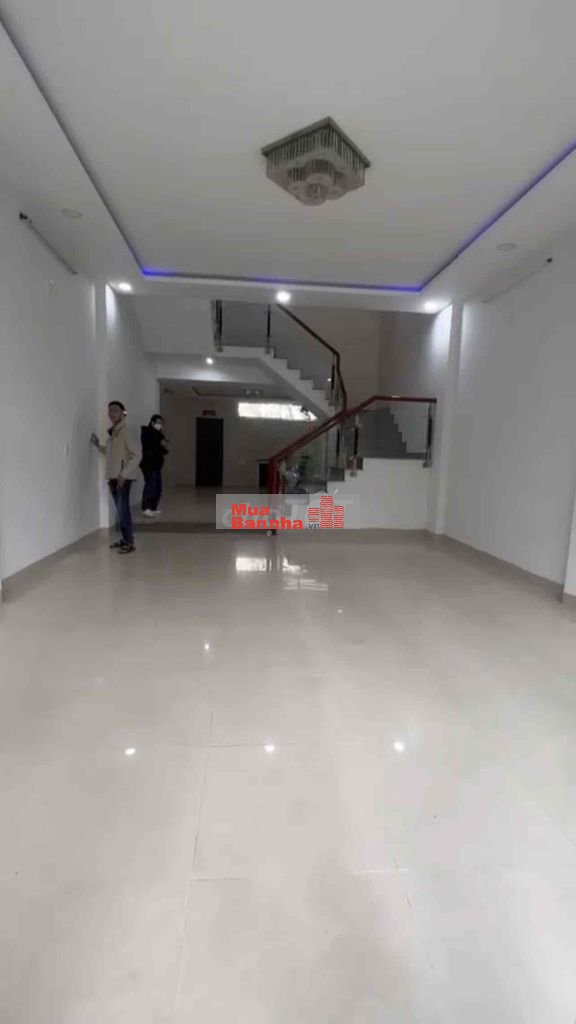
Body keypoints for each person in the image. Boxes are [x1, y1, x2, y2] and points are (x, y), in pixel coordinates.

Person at [91, 401, 140, 554]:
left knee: (123, 510)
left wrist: (124, 474)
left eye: (116, 410)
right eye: (110, 411)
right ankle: (125, 539)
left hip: (122, 478)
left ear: (123, 413)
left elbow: (137, 454)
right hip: (113, 477)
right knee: (120, 510)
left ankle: (129, 542)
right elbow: (113, 453)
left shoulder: (125, 431)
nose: (112, 413)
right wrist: (98, 446)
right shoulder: (115, 432)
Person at [140, 414, 169, 517]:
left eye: (161, 423)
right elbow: (149, 448)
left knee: (158, 487)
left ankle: (153, 507)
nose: (160, 425)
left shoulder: (159, 434)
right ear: (152, 423)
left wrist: (164, 446)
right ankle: (146, 508)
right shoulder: (147, 433)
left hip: (157, 465)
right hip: (148, 464)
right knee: (150, 485)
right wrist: (160, 444)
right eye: (158, 423)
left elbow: (162, 450)